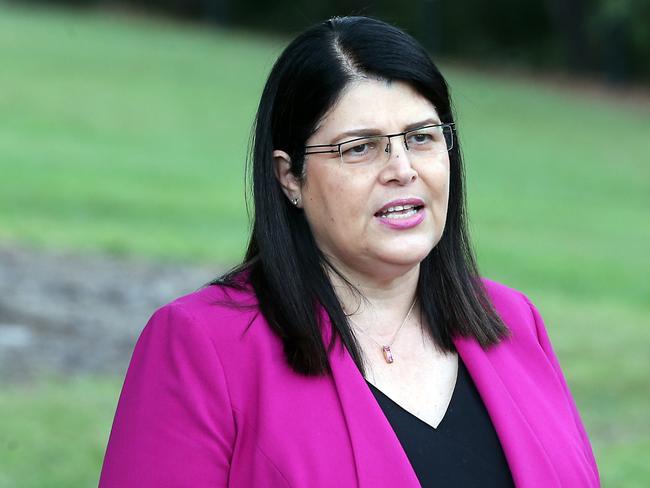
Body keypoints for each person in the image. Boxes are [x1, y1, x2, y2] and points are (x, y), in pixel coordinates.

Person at [99, 16, 600, 487]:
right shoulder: (203, 345)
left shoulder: (514, 322)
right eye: (359, 147)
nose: (402, 169)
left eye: (422, 138)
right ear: (289, 177)